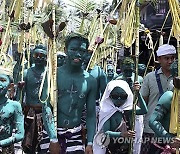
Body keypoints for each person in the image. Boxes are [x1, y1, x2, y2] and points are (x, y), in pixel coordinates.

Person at [41, 33, 97, 154]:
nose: (77, 54)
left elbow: (91, 114)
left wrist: (90, 142)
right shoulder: (52, 75)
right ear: (66, 50)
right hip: (52, 133)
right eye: (73, 49)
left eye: (82, 50)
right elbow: (46, 108)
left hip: (75, 135)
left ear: (86, 53)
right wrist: (53, 138)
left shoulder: (90, 81)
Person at [21, 44, 59, 154]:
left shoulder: (51, 73)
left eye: (42, 55)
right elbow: (20, 95)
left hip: (46, 114)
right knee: (29, 146)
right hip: (30, 114)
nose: (39, 57)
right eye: (36, 55)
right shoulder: (26, 73)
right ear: (32, 56)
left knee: (45, 145)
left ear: (47, 57)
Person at [93, 80, 147, 154]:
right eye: (115, 96)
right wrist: (122, 134)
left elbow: (144, 111)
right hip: (112, 148)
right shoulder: (106, 111)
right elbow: (106, 132)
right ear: (109, 95)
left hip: (127, 148)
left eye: (123, 96)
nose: (119, 99)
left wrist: (138, 93)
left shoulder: (128, 110)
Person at [140, 44, 176, 153]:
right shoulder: (149, 77)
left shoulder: (178, 79)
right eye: (166, 58)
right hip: (150, 129)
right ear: (159, 59)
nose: (170, 61)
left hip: (172, 130)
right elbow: (143, 103)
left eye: (172, 58)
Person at [149, 60, 180, 153]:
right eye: (176, 76)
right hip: (162, 147)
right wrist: (169, 139)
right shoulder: (169, 96)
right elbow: (153, 121)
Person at [115, 57, 144, 154]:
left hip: (136, 112)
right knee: (124, 139)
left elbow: (143, 98)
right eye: (126, 70)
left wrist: (137, 90)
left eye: (130, 70)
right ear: (122, 68)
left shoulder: (138, 79)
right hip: (122, 112)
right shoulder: (117, 80)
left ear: (134, 68)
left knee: (136, 139)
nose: (128, 72)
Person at [0, 67, 24, 154]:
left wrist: (2, 143)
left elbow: (20, 135)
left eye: (2, 80)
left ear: (10, 86)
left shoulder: (15, 106)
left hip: (5, 150)